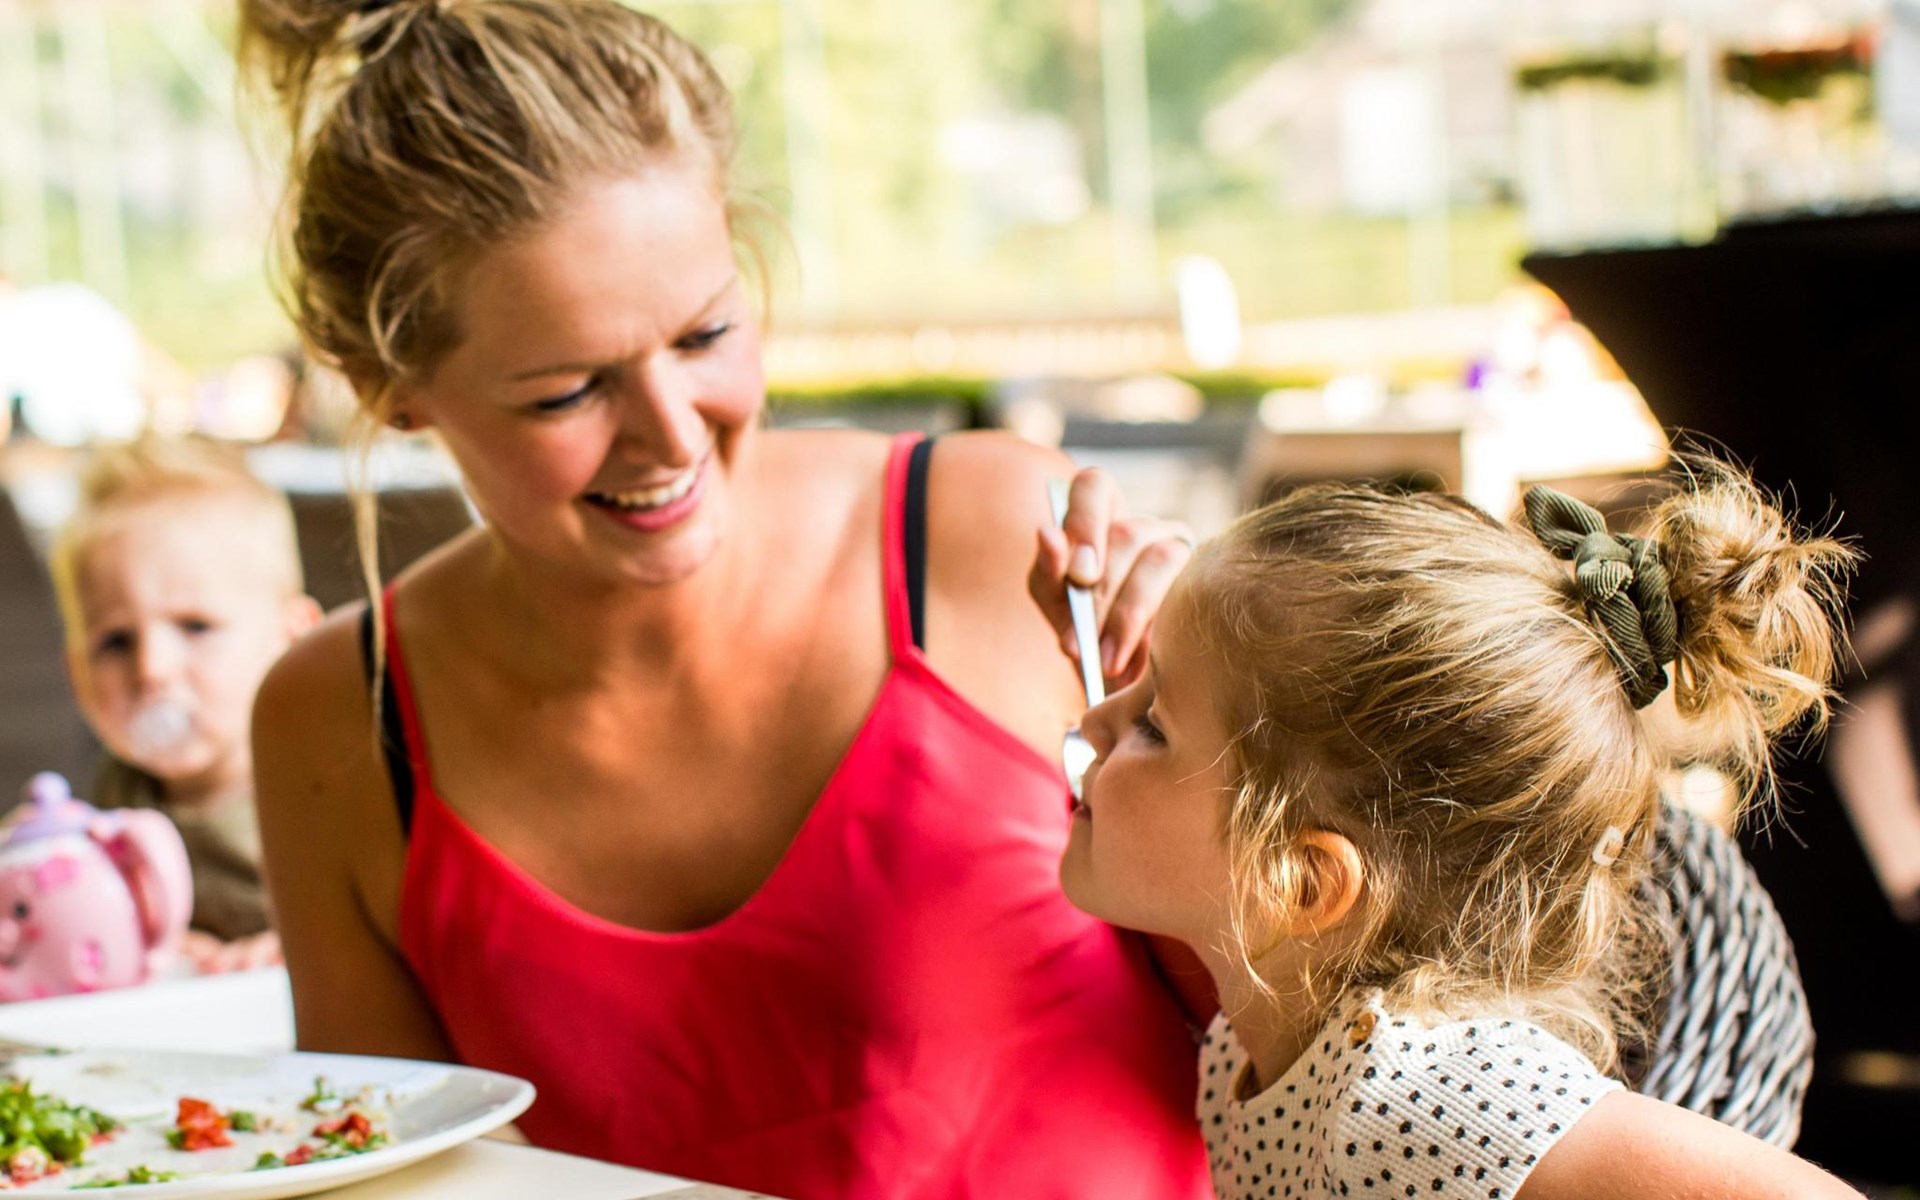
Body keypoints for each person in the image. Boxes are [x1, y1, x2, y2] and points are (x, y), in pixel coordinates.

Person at [238, 2, 1209, 1196]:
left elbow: (1314, 1025)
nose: (670, 434)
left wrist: (1264, 712)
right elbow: (391, 1182)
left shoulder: (998, 538)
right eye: (564, 393)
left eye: (704, 335)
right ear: (387, 386)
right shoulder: (340, 725)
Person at [1061, 468, 1866, 1198]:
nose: (1096, 721)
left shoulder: (1422, 1098)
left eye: (1154, 725)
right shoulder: (1251, 1053)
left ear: (1301, 881)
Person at [49, 437, 321, 972]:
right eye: (115, 642)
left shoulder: (325, 787)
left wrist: (300, 950)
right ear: (78, 677)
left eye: (195, 626)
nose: (152, 668)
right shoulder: (116, 803)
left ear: (293, 640)